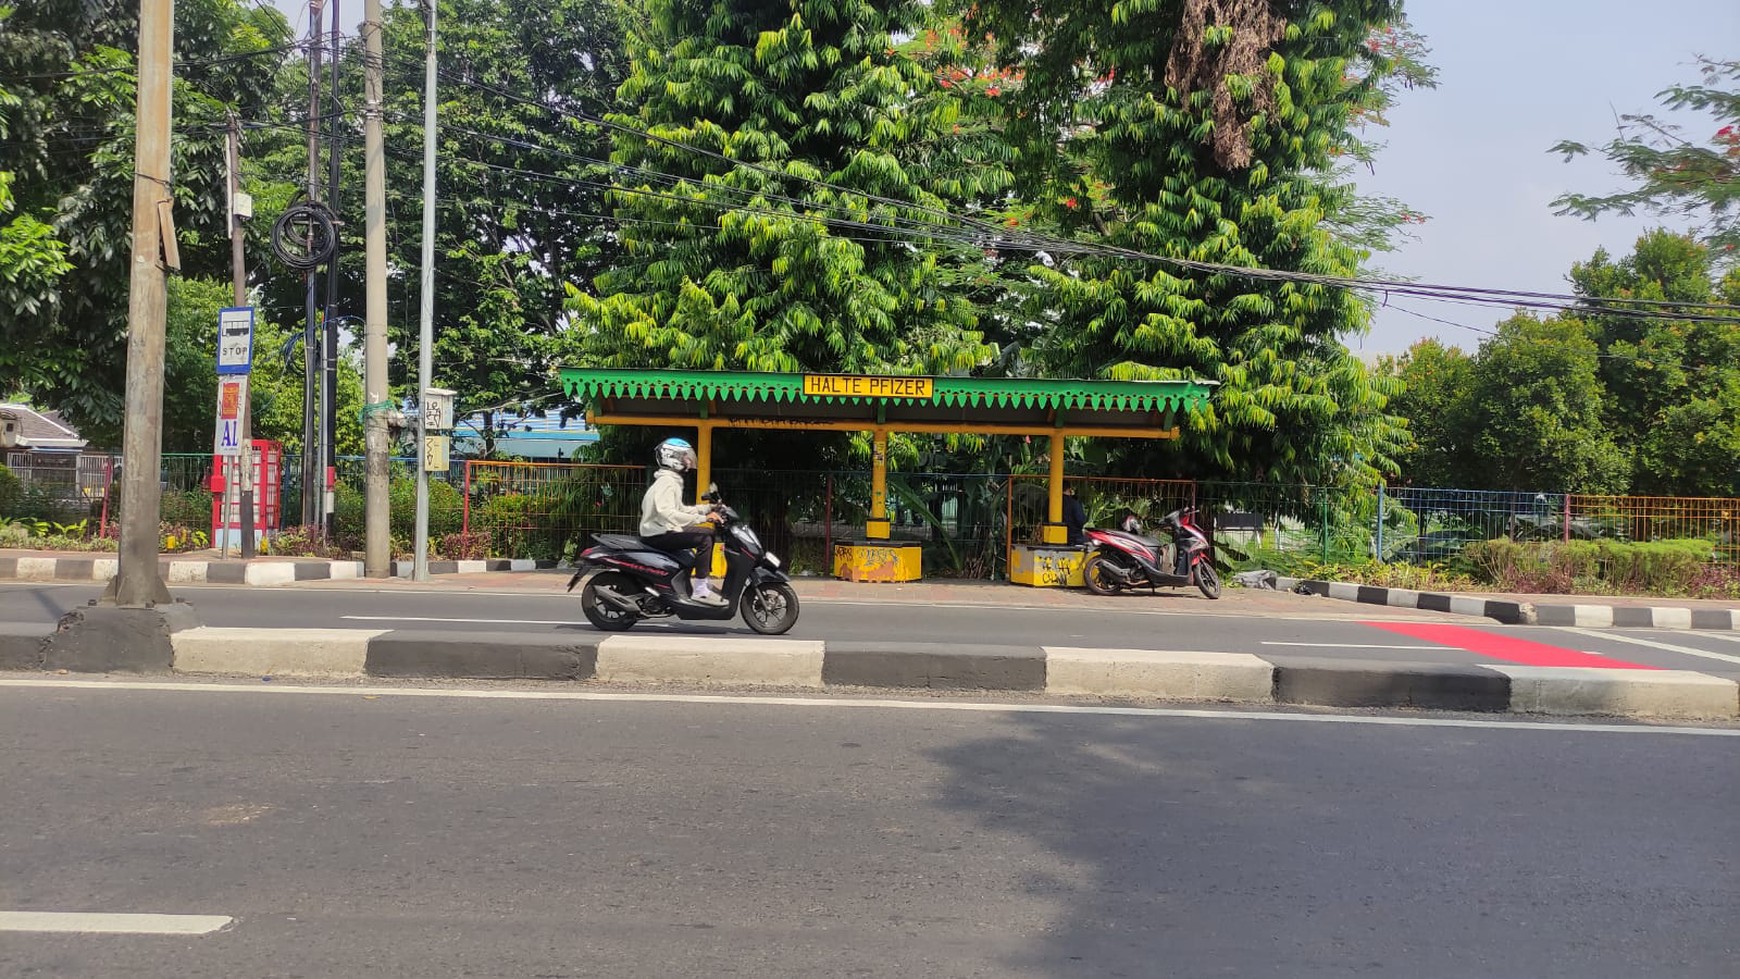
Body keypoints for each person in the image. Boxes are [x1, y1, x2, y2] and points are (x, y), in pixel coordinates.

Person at [639, 437, 725, 603]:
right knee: (705, 538)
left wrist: (707, 509)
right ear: (672, 458)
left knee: (708, 533)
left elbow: (680, 509)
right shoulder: (667, 482)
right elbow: (669, 514)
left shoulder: (670, 480)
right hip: (658, 533)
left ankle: (702, 582)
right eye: (684, 456)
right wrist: (703, 518)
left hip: (664, 530)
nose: (689, 460)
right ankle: (700, 589)